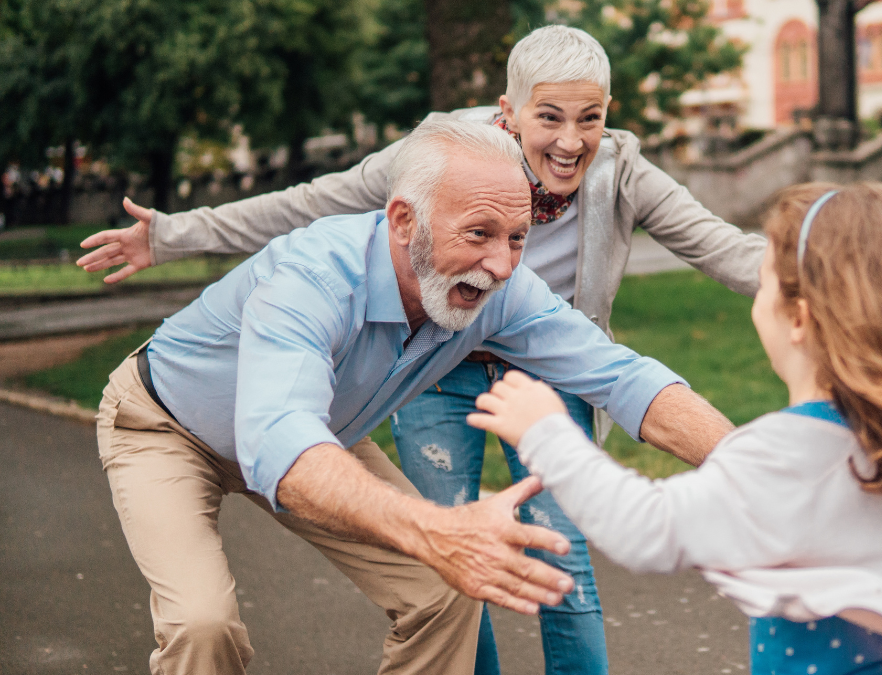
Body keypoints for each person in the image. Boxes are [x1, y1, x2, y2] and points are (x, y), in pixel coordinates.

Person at [76, 24, 764, 675]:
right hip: (169, 427)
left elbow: (624, 377)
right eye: (478, 235)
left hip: (321, 431)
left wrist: (759, 472)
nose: (500, 266)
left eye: (518, 238)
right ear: (404, 220)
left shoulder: (505, 285)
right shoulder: (314, 277)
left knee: (448, 588)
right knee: (204, 622)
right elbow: (279, 441)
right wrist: (437, 529)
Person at [465, 182, 882, 675]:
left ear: (798, 316)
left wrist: (548, 431)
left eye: (764, 280)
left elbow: (646, 529)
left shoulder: (785, 456)